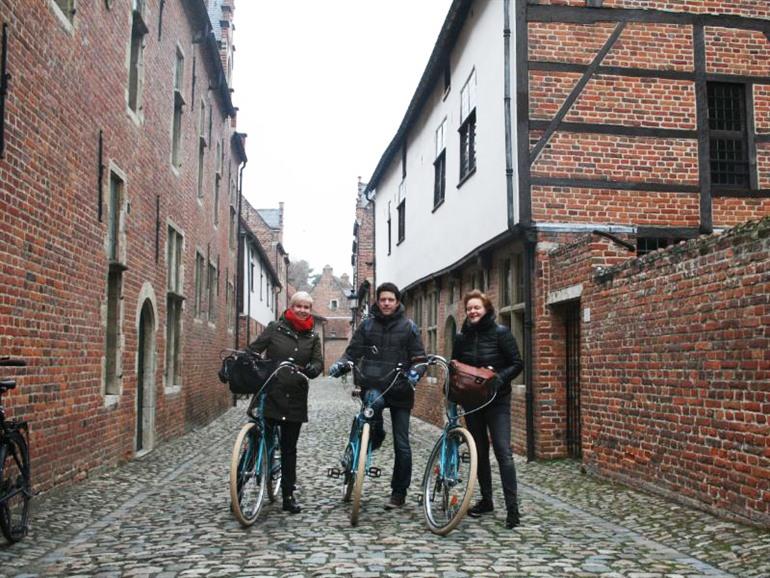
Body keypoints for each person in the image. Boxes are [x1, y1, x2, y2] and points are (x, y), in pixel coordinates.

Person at [329, 282, 425, 510]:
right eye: (383, 299)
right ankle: (367, 442)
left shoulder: (409, 327)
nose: (386, 303)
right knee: (373, 420)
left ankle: (398, 493)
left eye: (391, 299)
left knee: (402, 444)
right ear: (378, 301)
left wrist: (416, 373)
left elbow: (420, 358)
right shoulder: (367, 326)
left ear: (397, 301)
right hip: (374, 386)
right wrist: (341, 364)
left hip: (401, 389)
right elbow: (351, 353)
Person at [451, 289, 523, 528]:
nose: (473, 311)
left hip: (497, 400)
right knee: (479, 451)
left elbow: (517, 363)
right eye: (470, 308)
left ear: (486, 309)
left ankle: (513, 509)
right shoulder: (461, 338)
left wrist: (499, 379)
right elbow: (455, 367)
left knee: (503, 452)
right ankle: (487, 500)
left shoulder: (501, 333)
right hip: (472, 401)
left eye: (477, 308)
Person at [248, 291, 322, 514]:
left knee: (289, 448)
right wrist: (252, 364)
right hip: (271, 392)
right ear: (290, 307)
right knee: (260, 439)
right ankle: (241, 485)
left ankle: (288, 495)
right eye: (298, 306)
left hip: (295, 397)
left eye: (307, 307)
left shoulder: (313, 336)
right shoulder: (274, 328)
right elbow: (254, 349)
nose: (302, 310)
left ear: (310, 310)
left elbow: (318, 363)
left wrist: (312, 369)